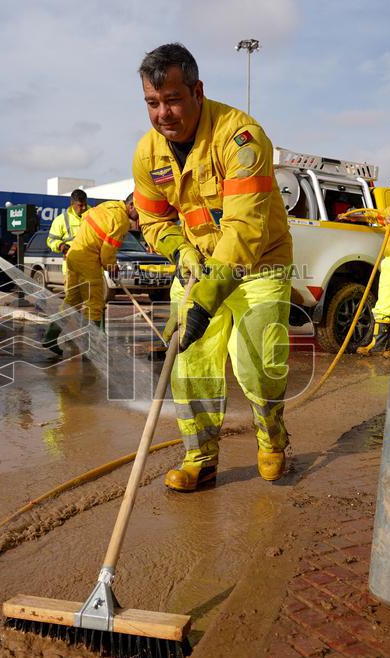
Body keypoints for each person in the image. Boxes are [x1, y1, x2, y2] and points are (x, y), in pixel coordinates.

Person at [132, 43, 293, 492]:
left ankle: (272, 438)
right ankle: (200, 458)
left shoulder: (240, 136)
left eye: (173, 99)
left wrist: (204, 296)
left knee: (258, 360)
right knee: (190, 363)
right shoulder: (147, 154)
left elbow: (243, 228)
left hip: (259, 264)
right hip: (197, 266)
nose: (163, 113)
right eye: (152, 102)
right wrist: (181, 251)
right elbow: (153, 219)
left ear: (198, 91)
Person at [42, 195, 138, 355]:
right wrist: (112, 267)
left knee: (71, 301)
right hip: (88, 261)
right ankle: (90, 349)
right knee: (95, 305)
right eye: (141, 212)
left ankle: (50, 337)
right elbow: (107, 254)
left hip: (74, 257)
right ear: (132, 205)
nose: (141, 217)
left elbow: (87, 218)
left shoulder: (108, 204)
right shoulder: (121, 221)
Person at [359, 176, 390, 357]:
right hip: (389, 261)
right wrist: (353, 215)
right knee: (384, 304)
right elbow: (376, 215)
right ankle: (378, 344)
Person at [46, 189, 88, 259]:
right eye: (80, 205)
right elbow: (51, 240)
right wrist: (60, 245)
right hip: (71, 265)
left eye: (85, 204)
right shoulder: (61, 219)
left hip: (92, 265)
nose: (84, 208)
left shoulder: (94, 215)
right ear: (72, 204)